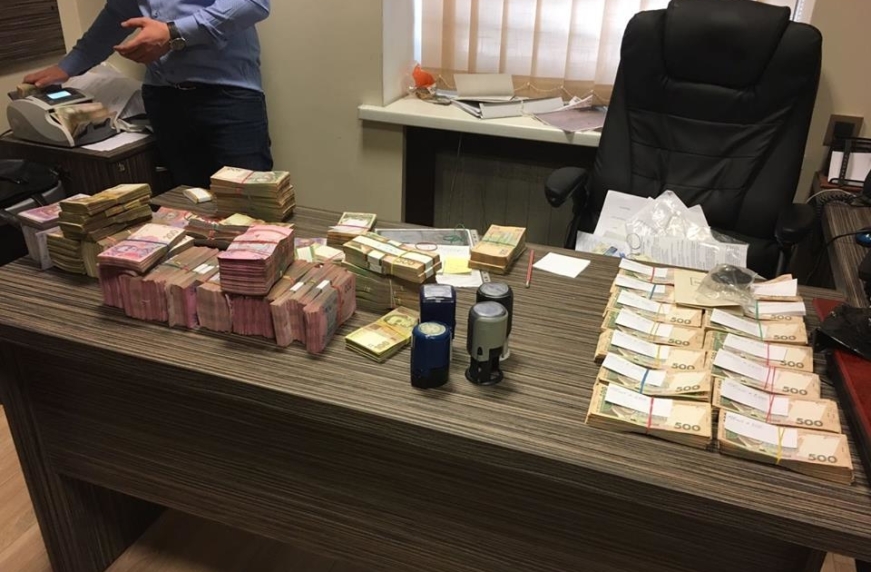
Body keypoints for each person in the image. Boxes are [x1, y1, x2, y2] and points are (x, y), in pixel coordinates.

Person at [25, 0, 273, 188]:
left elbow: (252, 4)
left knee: (249, 200)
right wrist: (66, 68)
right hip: (164, 99)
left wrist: (173, 32)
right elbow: (115, 16)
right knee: (189, 201)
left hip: (227, 96)